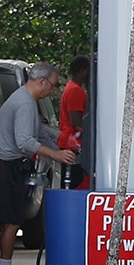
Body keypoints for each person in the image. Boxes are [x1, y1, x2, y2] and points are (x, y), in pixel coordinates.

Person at [0, 62, 75, 265]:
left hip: (7, 164)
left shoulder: (25, 100)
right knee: (11, 222)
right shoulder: (25, 103)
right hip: (6, 166)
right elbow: (25, 141)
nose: (53, 91)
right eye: (53, 85)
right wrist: (56, 154)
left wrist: (64, 143)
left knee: (12, 221)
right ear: (41, 81)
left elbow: (40, 133)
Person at [57, 55, 89, 189]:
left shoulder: (70, 87)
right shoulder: (76, 91)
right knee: (75, 182)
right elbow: (76, 121)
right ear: (83, 71)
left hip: (68, 142)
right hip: (72, 144)